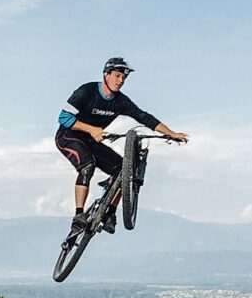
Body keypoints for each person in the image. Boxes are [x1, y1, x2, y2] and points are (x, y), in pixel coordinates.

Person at [55, 56, 187, 233]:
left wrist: (171, 133)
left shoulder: (121, 101)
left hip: (92, 141)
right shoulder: (86, 91)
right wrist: (91, 129)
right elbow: (63, 118)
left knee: (124, 170)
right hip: (68, 136)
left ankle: (110, 212)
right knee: (88, 166)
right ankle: (79, 216)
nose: (120, 81)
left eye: (124, 78)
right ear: (106, 74)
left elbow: (144, 117)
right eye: (117, 76)